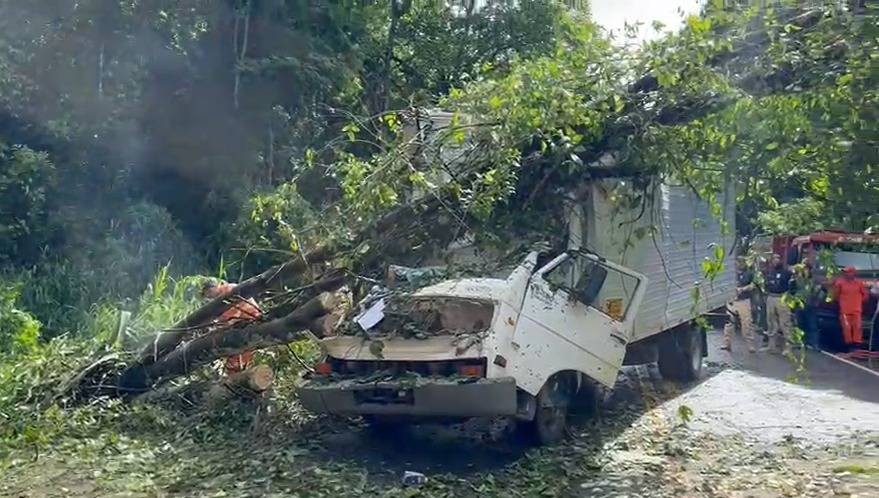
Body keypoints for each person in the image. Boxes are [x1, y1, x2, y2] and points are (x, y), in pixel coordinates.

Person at [201, 278, 262, 375]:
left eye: (208, 293)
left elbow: (231, 314)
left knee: (237, 347)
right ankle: (238, 374)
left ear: (212, 288)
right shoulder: (221, 296)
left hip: (248, 319)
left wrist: (219, 328)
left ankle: (237, 373)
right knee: (239, 350)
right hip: (240, 322)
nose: (208, 296)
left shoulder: (228, 290)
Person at [722, 258, 757, 353]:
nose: (739, 264)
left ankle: (750, 345)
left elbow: (753, 285)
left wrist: (743, 289)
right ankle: (727, 343)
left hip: (744, 301)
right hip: (732, 301)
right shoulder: (731, 274)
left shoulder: (749, 273)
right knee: (729, 323)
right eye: (737, 263)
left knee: (747, 323)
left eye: (741, 262)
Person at [764, 254, 795, 355]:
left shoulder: (787, 272)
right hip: (771, 297)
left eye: (778, 258)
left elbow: (793, 285)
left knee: (785, 323)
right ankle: (771, 345)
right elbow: (766, 284)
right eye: (774, 258)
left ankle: (788, 347)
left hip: (782, 297)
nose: (776, 260)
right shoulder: (770, 272)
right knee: (771, 322)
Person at [831, 266, 867, 352]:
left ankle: (857, 346)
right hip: (845, 310)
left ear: (853, 273)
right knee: (846, 328)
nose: (846, 274)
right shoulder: (839, 282)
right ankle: (848, 346)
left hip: (856, 309)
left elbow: (865, 295)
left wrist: (858, 302)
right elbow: (835, 295)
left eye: (848, 272)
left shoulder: (859, 283)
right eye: (845, 272)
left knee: (857, 327)